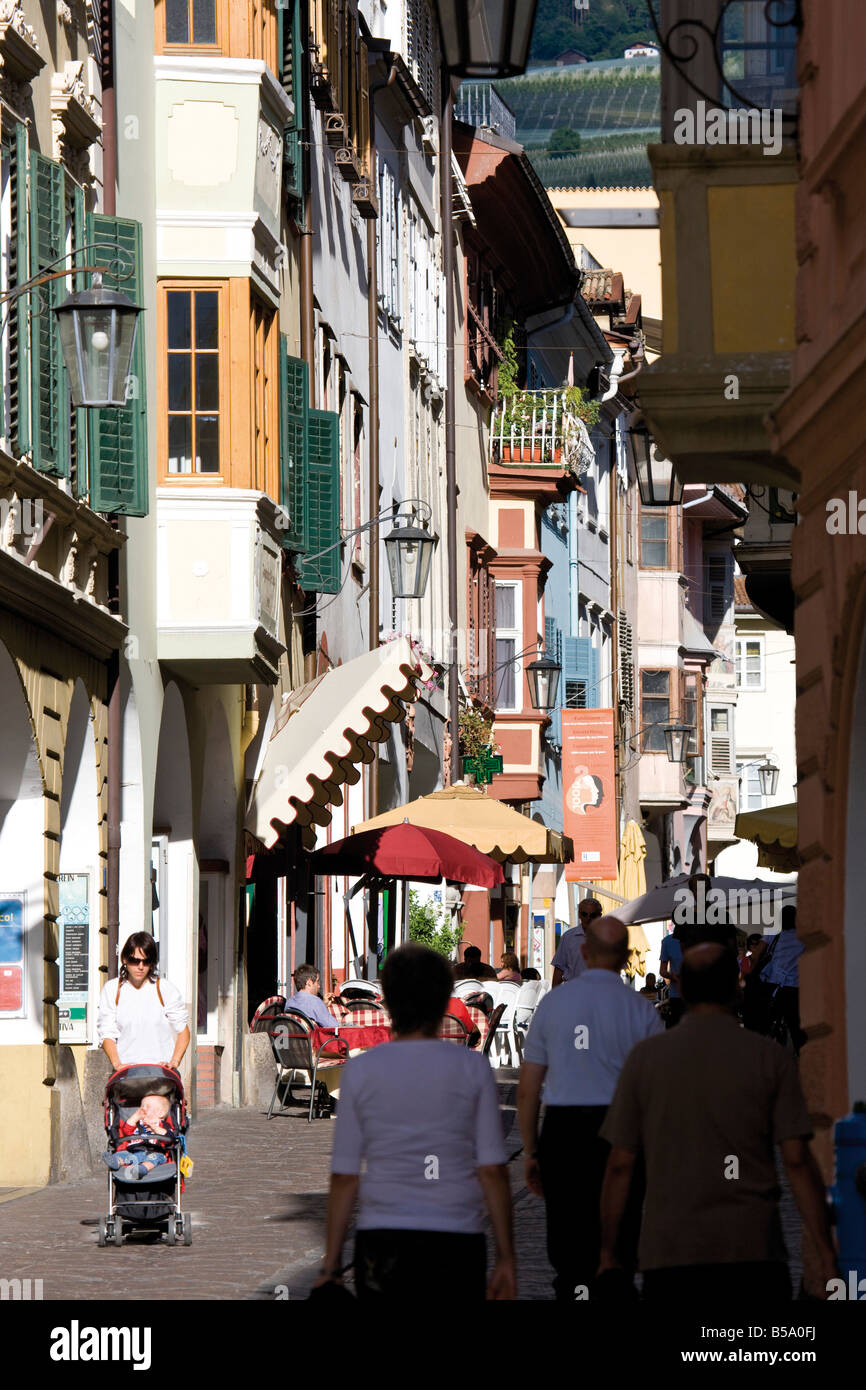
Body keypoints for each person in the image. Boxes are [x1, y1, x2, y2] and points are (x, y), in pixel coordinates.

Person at [598, 944, 838, 1301]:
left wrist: (608, 1253)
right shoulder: (769, 1057)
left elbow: (620, 1165)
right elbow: (797, 1161)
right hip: (752, 1247)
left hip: (672, 1251)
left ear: (680, 984)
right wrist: (825, 1251)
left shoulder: (646, 1060)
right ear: (737, 984)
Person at [316, 943, 515, 1300]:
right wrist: (506, 1257)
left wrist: (331, 1263)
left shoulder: (361, 1071)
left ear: (388, 1001)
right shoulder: (472, 1068)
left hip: (384, 1235)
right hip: (456, 1235)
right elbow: (492, 1169)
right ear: (443, 1000)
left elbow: (345, 1175)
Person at [517, 915, 664, 1300]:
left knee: (569, 1237)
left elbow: (528, 1089)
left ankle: (574, 1289)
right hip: (623, 1130)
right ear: (625, 957)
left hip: (565, 1130)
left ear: (583, 951)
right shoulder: (642, 1011)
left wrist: (531, 1150)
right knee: (621, 1231)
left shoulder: (553, 1005)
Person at [97, 932, 190, 1070]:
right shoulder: (112, 989)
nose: (140, 967)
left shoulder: (164, 988)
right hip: (126, 1071)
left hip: (160, 1071)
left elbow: (183, 1030)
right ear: (124, 959)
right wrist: (117, 1064)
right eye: (135, 961)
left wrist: (174, 1062)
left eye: (146, 962)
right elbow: (106, 1032)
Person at [758, 906, 807, 1052]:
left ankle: (763, 1052)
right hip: (794, 987)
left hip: (773, 986)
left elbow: (758, 955)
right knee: (796, 1026)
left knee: (766, 1023)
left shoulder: (775, 936)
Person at [102, 1093, 175, 1182]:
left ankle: (142, 1169)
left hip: (155, 1151)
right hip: (135, 1152)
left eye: (147, 1106)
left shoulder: (163, 1126)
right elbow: (126, 1130)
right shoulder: (138, 1124)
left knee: (154, 1158)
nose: (142, 1108)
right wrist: (136, 1117)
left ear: (160, 1113)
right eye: (141, 1106)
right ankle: (116, 1161)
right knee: (124, 1154)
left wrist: (154, 1127)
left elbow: (170, 1137)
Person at [551, 897, 602, 987]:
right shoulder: (568, 937)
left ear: (599, 916)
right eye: (584, 914)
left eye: (593, 915)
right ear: (579, 914)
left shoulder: (609, 938)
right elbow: (559, 969)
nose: (588, 918)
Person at [284, 963, 341, 1027]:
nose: (319, 986)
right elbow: (334, 1026)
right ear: (309, 983)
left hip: (295, 1036)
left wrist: (323, 1005)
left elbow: (307, 1010)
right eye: (317, 981)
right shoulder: (315, 1001)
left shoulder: (289, 1002)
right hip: (313, 1036)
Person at [658, 924, 684, 1027]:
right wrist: (673, 976)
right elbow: (662, 971)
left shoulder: (696, 939)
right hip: (677, 995)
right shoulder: (667, 942)